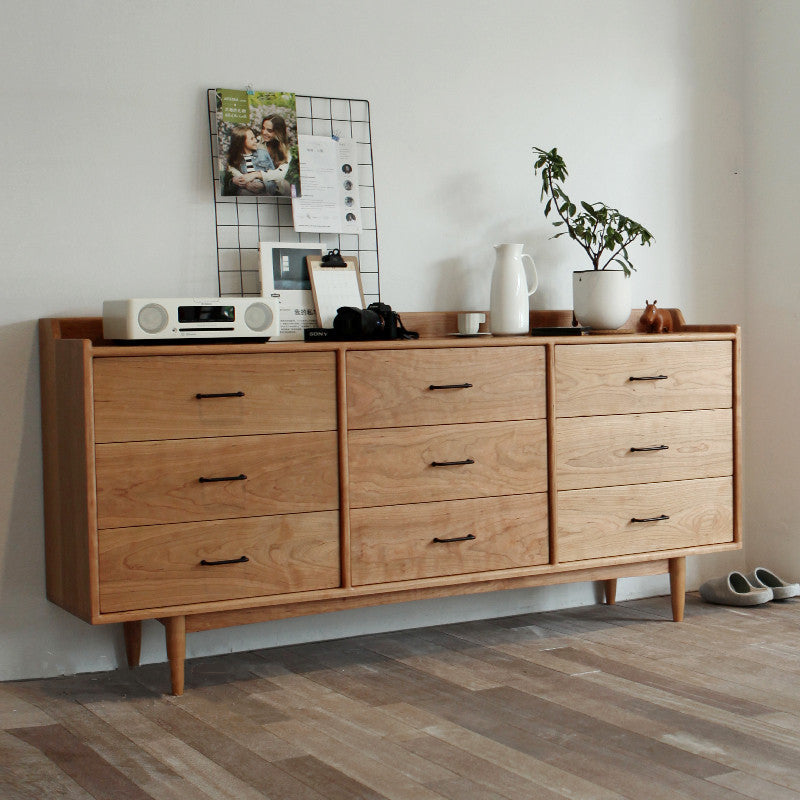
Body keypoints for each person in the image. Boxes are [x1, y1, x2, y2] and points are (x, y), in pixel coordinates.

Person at [224, 126, 276, 195]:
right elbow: (227, 188)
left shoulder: (263, 154)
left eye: (254, 137)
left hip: (264, 193)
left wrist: (263, 185)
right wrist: (234, 182)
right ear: (241, 142)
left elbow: (274, 178)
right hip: (245, 194)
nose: (255, 140)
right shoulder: (233, 160)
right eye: (251, 139)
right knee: (244, 192)